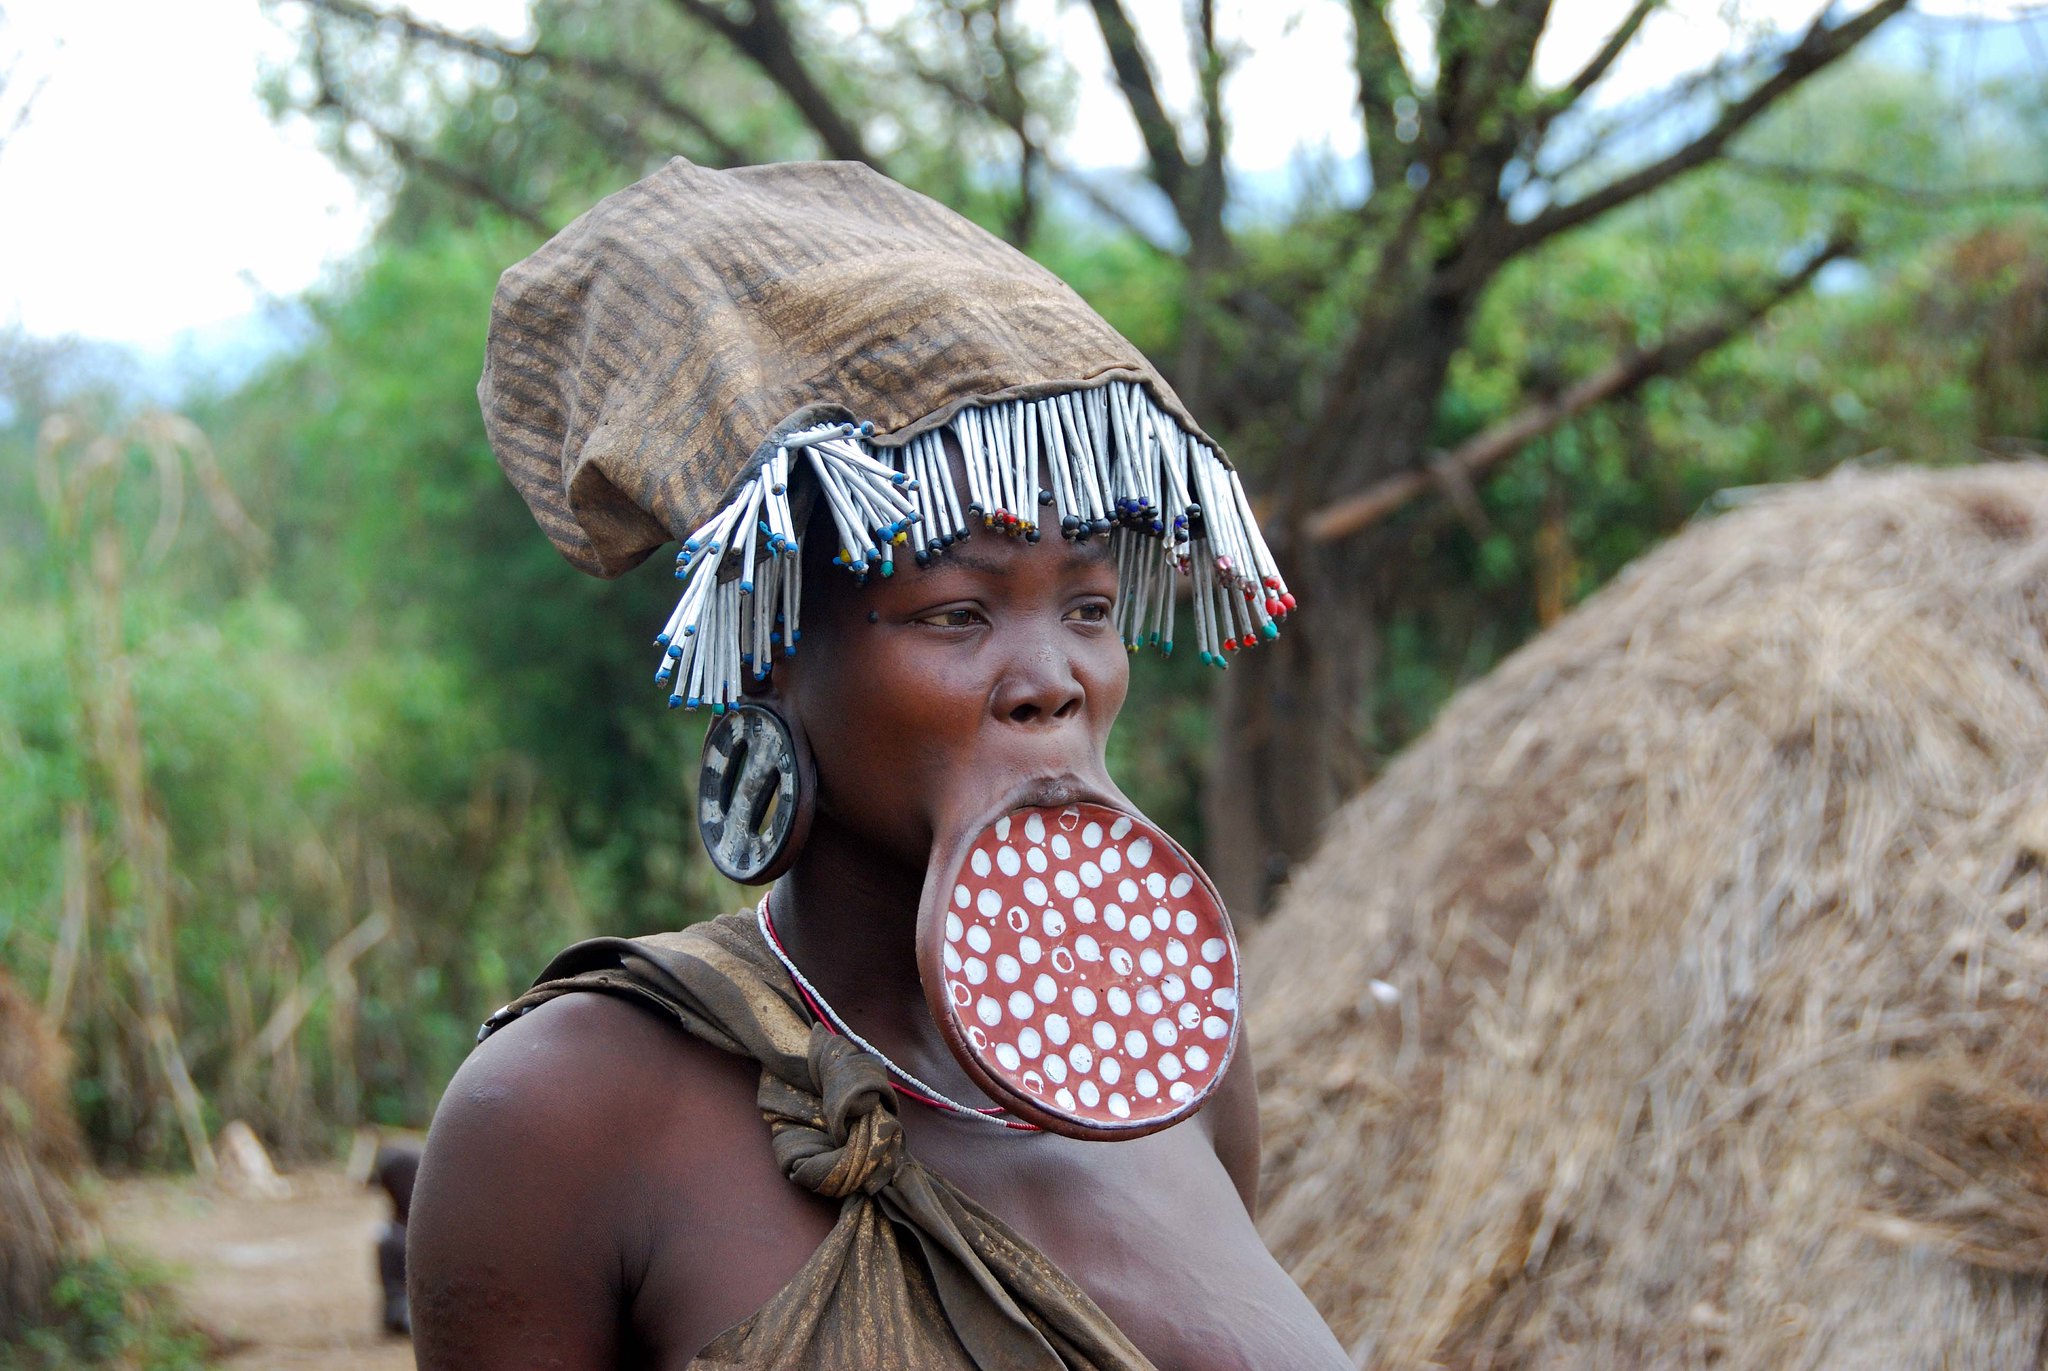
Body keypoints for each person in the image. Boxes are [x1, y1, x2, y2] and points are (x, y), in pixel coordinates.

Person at [407, 158, 1350, 1370]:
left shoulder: (1170, 1066)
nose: (1050, 678)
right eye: (954, 613)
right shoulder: (566, 1114)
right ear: (769, 657)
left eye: (1089, 607)